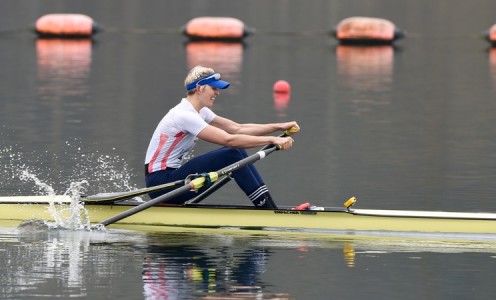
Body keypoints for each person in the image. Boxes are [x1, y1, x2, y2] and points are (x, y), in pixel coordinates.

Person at [144, 65, 299, 209]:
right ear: (199, 88)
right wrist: (273, 140)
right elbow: (228, 139)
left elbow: (237, 128)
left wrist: (280, 126)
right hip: (161, 184)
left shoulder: (200, 111)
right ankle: (267, 210)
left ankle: (269, 207)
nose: (217, 93)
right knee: (231, 153)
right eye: (213, 88)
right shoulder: (184, 115)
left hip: (173, 179)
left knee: (237, 153)